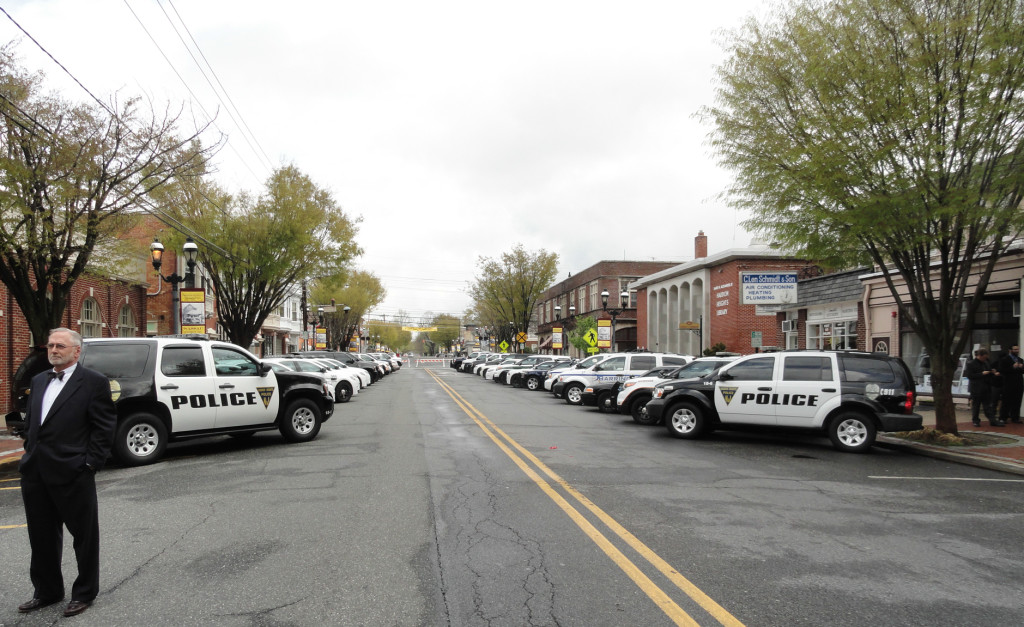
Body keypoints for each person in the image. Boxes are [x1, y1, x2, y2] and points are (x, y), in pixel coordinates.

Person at [17, 328, 117, 617]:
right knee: (41, 536)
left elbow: (104, 426)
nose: (53, 350)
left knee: (84, 537)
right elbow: (34, 423)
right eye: (50, 345)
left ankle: (84, 592)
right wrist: (29, 452)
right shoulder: (38, 380)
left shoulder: (94, 382)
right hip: (36, 472)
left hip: (73, 471)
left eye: (60, 345)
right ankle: (47, 591)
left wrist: (90, 464)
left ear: (76, 351)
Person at [963, 348, 1004, 427]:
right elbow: (970, 376)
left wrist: (993, 373)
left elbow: (988, 372)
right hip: (976, 388)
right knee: (976, 405)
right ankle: (976, 421)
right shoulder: (971, 364)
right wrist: (981, 374)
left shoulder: (986, 363)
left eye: (986, 357)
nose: (985, 359)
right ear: (979, 356)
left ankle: (992, 420)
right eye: (984, 357)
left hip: (986, 387)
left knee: (988, 405)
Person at [996, 345, 1024, 424]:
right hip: (1008, 383)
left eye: (1017, 349)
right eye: (1015, 349)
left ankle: (1015, 417)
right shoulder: (1004, 360)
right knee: (1006, 401)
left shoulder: (1020, 360)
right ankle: (1003, 417)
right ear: (1010, 350)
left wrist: (1022, 367)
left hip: (1019, 384)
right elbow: (1001, 370)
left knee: (1017, 401)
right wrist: (1012, 367)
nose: (1016, 351)